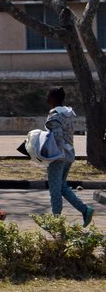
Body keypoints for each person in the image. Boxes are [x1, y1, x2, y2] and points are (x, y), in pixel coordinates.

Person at [44, 86, 94, 226]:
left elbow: (57, 136)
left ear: (53, 98)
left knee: (55, 190)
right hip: (69, 154)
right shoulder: (69, 113)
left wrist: (48, 151)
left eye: (48, 95)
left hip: (57, 156)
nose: (46, 98)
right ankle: (85, 210)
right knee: (61, 187)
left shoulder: (55, 115)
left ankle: (56, 222)